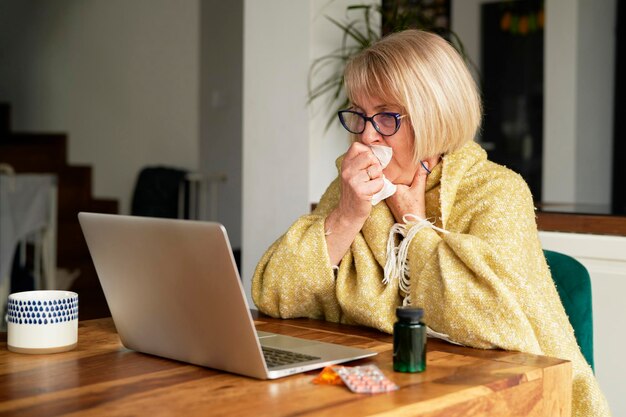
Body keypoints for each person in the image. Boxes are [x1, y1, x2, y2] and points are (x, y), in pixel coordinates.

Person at [252, 29, 610, 416]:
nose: (368, 135)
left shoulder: (497, 192)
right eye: (359, 114)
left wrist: (414, 224)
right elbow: (275, 296)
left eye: (387, 116)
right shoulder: (352, 189)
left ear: (435, 117)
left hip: (493, 398)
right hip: (382, 395)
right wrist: (347, 214)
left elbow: (487, 323)